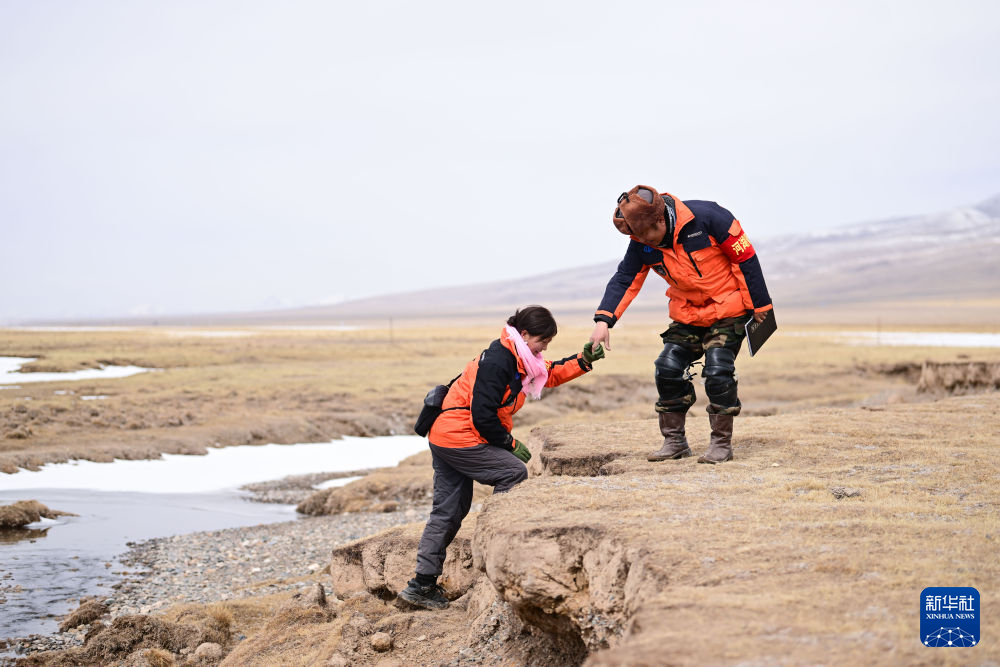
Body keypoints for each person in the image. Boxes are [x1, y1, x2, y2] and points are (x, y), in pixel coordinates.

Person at [398, 305, 604, 610]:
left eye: (549, 342)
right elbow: (482, 416)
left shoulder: (520, 358)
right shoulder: (499, 361)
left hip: (446, 436)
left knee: (448, 512)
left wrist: (583, 361)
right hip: (458, 436)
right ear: (525, 334)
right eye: (542, 341)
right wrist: (508, 442)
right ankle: (497, 549)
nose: (545, 347)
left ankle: (420, 585)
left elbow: (548, 372)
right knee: (513, 472)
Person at [589, 185, 773, 464]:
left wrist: (760, 305)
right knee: (667, 367)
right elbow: (625, 278)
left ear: (660, 220)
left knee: (718, 370)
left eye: (646, 235)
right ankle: (674, 442)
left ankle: (721, 444)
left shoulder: (709, 218)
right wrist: (604, 320)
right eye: (637, 237)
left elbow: (744, 258)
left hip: (728, 308)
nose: (643, 241)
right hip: (688, 313)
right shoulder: (641, 241)